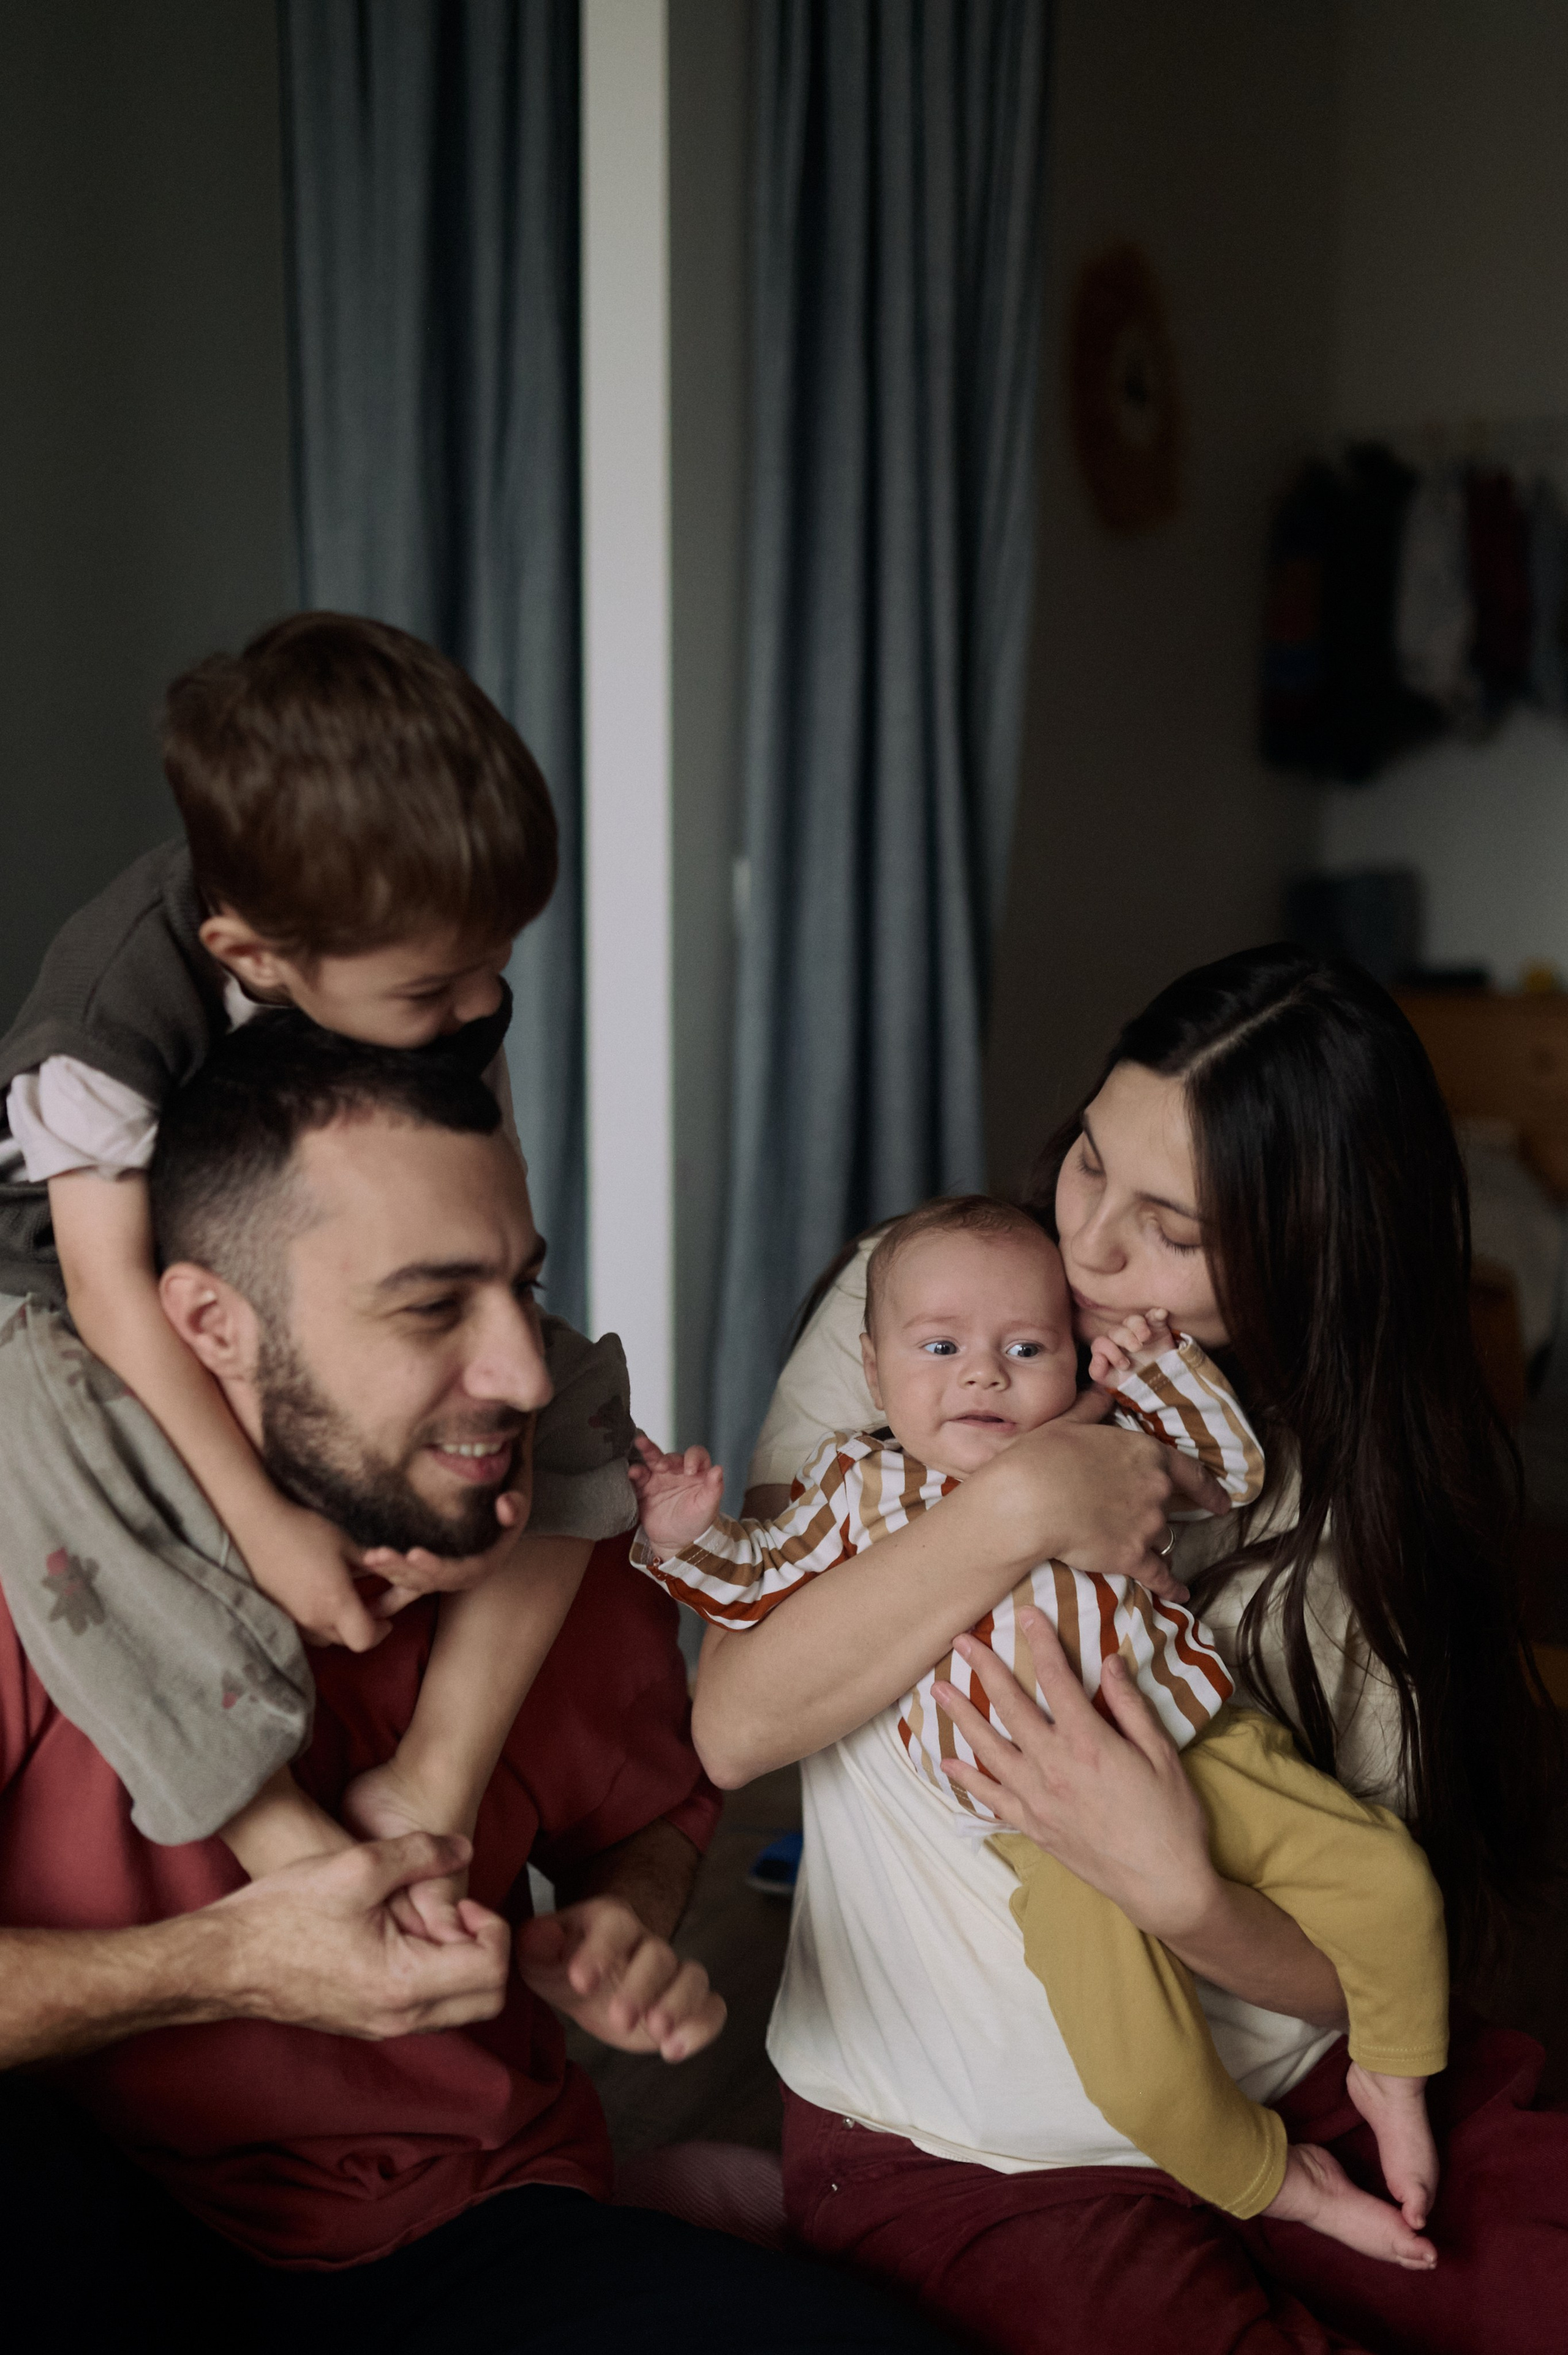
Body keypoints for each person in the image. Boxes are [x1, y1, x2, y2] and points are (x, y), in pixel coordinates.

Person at [0, 1019, 962, 2355]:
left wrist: (621, 1918)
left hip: (462, 2220)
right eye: (431, 1302)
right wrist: (219, 1962)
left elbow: (647, 1817)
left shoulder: (545, 1544)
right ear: (212, 1324)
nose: (521, 1371)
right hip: (100, 2215)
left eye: (521, 1283)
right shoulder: (35, 1544)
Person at [684, 946, 1566, 2355]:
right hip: (997, 2134)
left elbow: (1376, 1951)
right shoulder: (929, 1311)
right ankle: (822, 2222)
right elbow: (734, 1720)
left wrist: (1174, 1887)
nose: (1086, 1247)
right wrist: (1027, 1497)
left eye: (1169, 1227)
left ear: (1303, 1252)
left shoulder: (1364, 1494)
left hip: (1293, 2069)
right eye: (1089, 1160)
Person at [631, 1195, 1449, 2266]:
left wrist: (1150, 1373)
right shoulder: (848, 1491)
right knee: (1142, 2068)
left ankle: (1394, 2077)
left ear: (1072, 1363)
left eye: (1026, 1348)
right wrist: (687, 1540)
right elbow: (755, 1588)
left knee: (1393, 1887)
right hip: (1040, 1826)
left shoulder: (1098, 1441)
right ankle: (1276, 2181)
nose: (983, 1374)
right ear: (874, 1375)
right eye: (941, 1348)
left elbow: (1223, 1475)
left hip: (1202, 1748)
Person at [0, 613, 635, 1933]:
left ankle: (438, 1775)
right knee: (41, 1447)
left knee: (572, 1393)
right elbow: (116, 1295)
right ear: (253, 959)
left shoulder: (436, 972)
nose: (478, 1007)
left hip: (293, 1269)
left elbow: (483, 1191)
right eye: (439, 987)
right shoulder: (104, 1019)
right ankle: (270, 1826)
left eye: (497, 967)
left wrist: (487, 1377)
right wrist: (263, 1526)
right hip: (68, 1286)